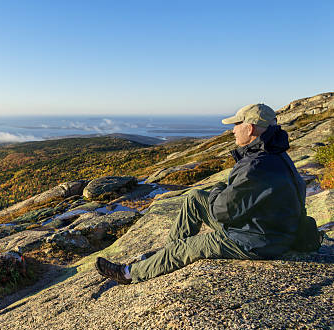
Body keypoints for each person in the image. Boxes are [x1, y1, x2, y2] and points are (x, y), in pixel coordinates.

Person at [96, 103, 306, 284]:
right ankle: (166, 256)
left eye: (236, 125)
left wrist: (218, 189)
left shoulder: (256, 165)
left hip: (258, 241)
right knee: (195, 198)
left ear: (250, 128)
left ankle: (127, 274)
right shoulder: (275, 156)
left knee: (187, 248)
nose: (232, 130)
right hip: (267, 228)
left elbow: (221, 212)